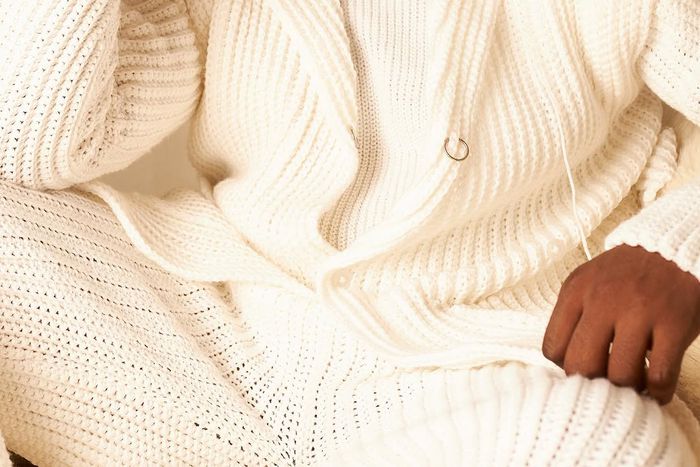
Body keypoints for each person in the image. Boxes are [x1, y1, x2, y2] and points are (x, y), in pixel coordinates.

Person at [0, 0, 699, 464]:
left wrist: (677, 244)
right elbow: (35, 140)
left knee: (606, 444)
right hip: (230, 344)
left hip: (482, 378)